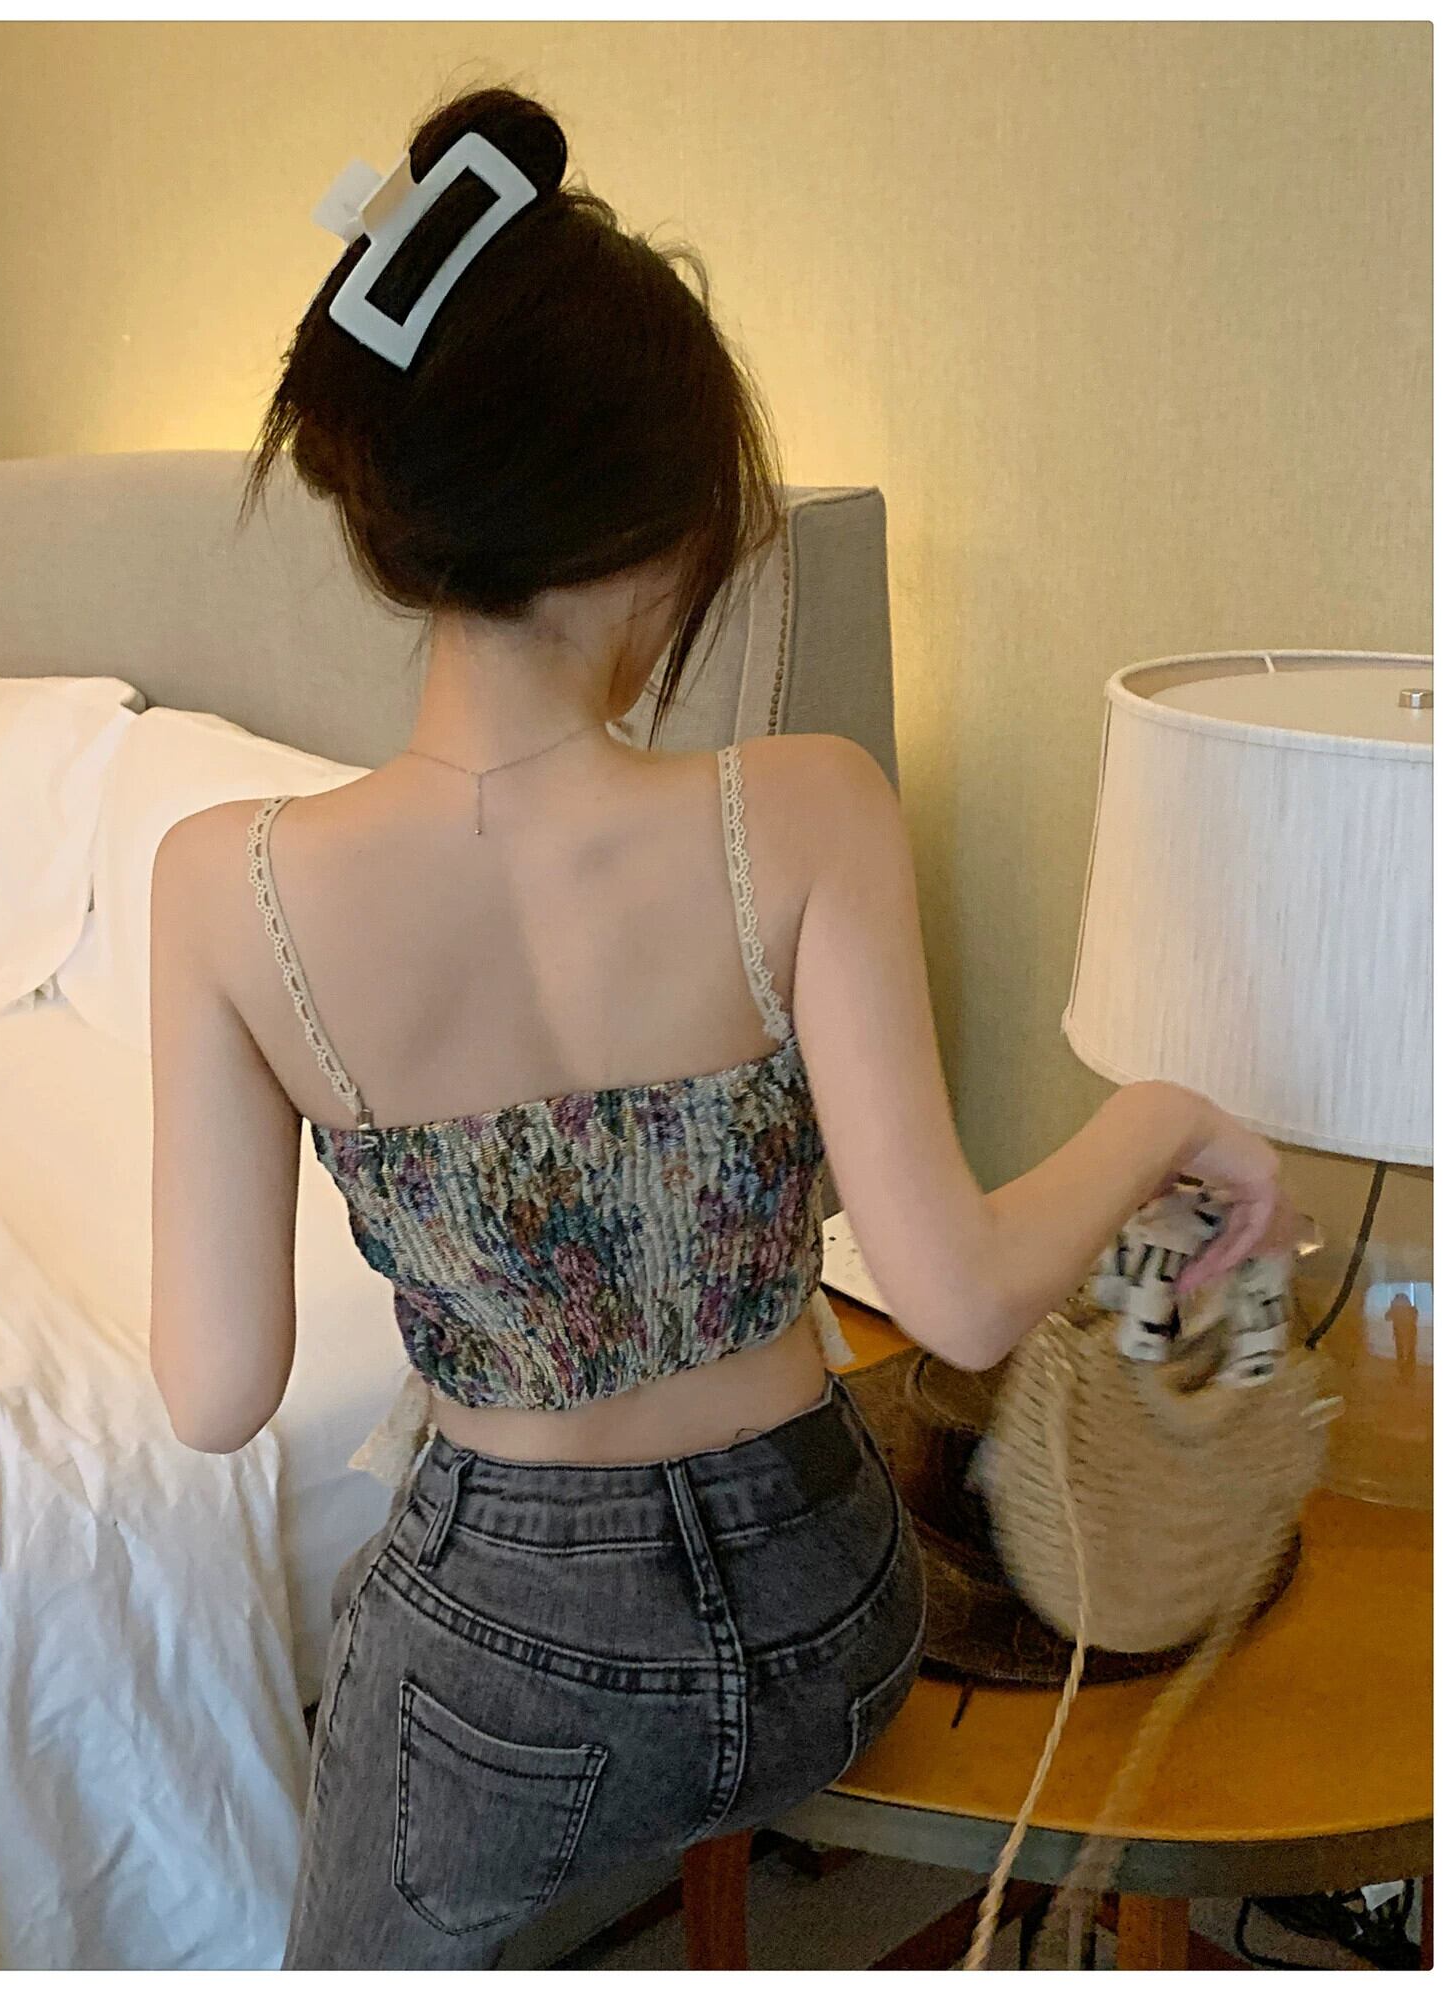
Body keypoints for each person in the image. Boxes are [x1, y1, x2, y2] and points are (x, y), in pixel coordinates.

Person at [146, 83, 1308, 1970]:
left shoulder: (228, 885)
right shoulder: (809, 807)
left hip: (508, 1661)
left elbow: (214, 1398)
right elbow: (960, 1296)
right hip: (822, 1612)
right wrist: (1166, 1110)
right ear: (659, 525)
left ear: (390, 516)